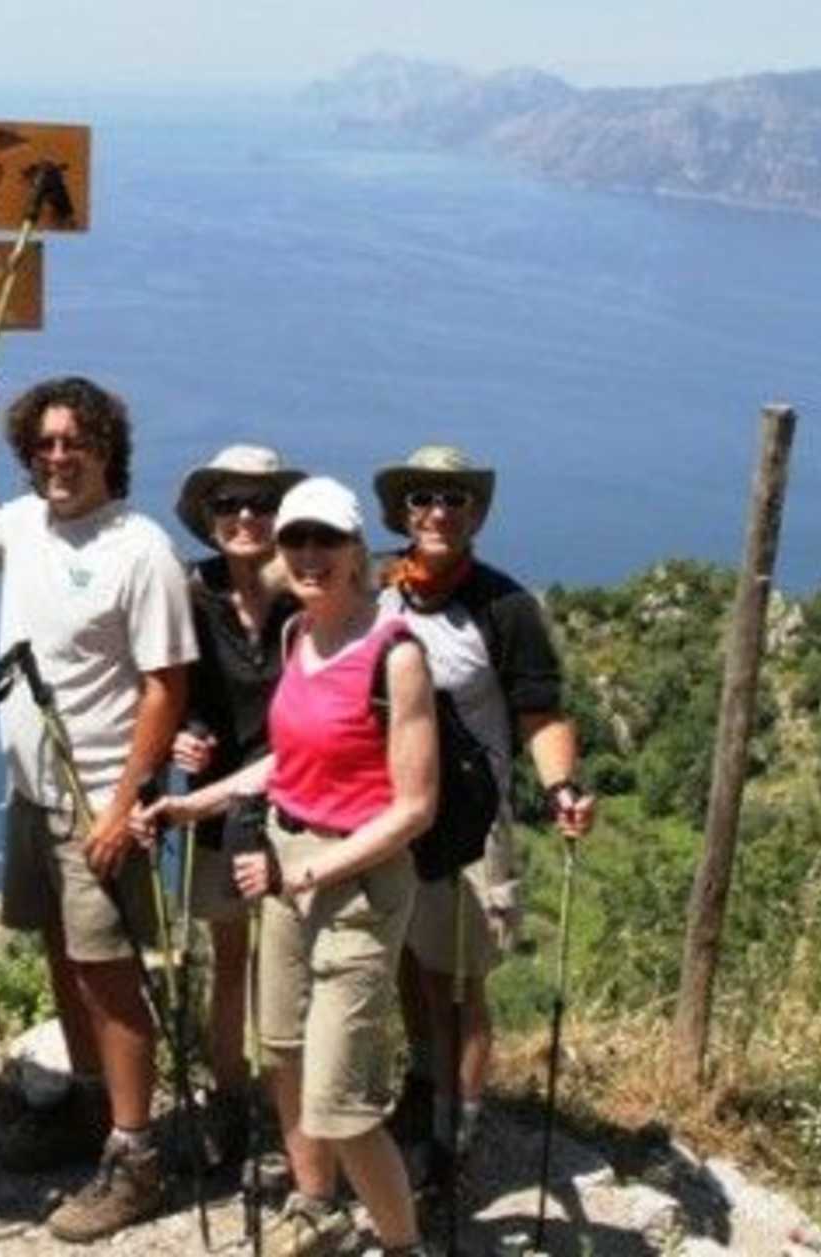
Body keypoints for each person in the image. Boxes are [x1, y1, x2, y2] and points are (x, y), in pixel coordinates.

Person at [141, 476, 440, 1257]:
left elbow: (415, 808)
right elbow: (288, 759)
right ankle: (316, 1209)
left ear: (355, 553)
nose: (309, 555)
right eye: (296, 540)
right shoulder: (296, 636)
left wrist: (308, 874)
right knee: (282, 1047)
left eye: (326, 541)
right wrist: (196, 803)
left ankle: (402, 1244)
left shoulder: (396, 652)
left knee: (342, 1101)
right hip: (283, 857)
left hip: (358, 881)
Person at [0, 373, 196, 1243]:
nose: (57, 457)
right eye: (43, 443)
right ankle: (91, 1114)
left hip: (98, 799)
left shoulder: (140, 549)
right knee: (61, 954)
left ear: (106, 450)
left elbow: (167, 685)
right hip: (32, 792)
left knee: (109, 973)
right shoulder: (22, 525)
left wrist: (124, 807)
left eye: (73, 443)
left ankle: (136, 1152)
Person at [371, 445, 597, 1178]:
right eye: (424, 498)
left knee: (457, 982)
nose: (438, 511)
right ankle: (423, 1084)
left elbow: (540, 713)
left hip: (467, 825)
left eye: (455, 499)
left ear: (475, 514)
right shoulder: (374, 583)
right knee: (407, 961)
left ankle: (453, 1136)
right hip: (385, 815)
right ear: (402, 510)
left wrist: (562, 787)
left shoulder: (503, 606)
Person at [166, 444, 305, 1163]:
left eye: (260, 503)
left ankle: (299, 1116)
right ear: (211, 519)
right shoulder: (188, 595)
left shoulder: (306, 599)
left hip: (299, 813)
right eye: (229, 504)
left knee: (294, 963)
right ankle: (229, 1100)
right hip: (217, 811)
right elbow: (165, 690)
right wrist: (180, 738)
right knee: (228, 962)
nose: (246, 516)